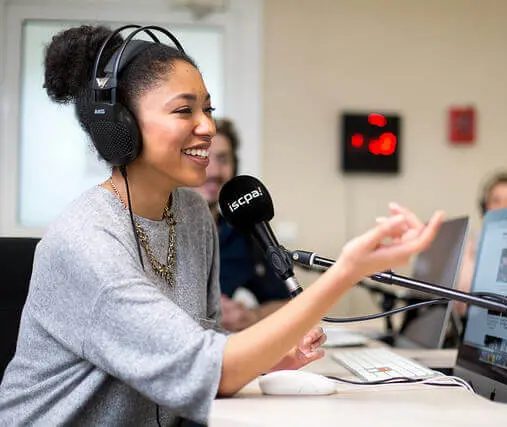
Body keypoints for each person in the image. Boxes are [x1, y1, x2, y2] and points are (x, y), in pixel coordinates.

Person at [0, 24, 444, 426]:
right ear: (120, 127)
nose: (207, 126)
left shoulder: (192, 213)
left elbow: (206, 361)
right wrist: (346, 272)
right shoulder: (86, 242)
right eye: (184, 111)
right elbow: (211, 370)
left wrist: (269, 357)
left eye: (208, 109)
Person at [193, 118, 288, 332]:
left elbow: (288, 303)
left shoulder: (243, 233)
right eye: (204, 157)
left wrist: (251, 316)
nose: (215, 171)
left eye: (223, 159)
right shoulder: (158, 229)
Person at [454, 171, 507, 315]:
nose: (504, 206)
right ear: (485, 207)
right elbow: (460, 305)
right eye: (496, 200)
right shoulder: (472, 244)